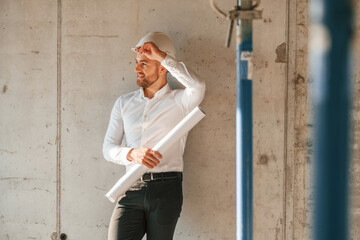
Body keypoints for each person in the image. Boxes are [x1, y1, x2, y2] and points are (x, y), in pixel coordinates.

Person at [103, 32, 205, 240]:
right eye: (136, 63)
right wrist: (132, 154)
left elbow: (198, 86)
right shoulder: (124, 103)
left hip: (167, 189)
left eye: (144, 63)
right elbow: (108, 148)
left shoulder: (180, 101)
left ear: (162, 67)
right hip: (130, 187)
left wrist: (162, 56)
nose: (136, 69)